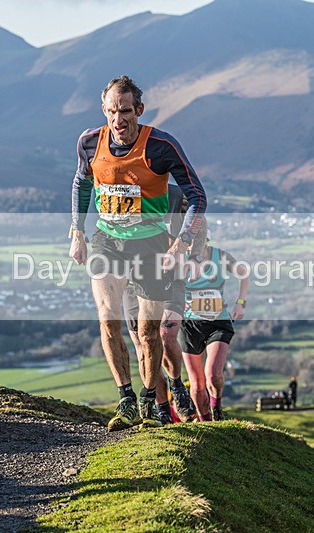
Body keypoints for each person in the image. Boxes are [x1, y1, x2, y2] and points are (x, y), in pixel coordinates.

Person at [69, 75, 206, 431]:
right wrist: (77, 232)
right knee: (107, 318)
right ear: (104, 111)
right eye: (112, 111)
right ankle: (126, 399)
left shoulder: (161, 146)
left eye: (126, 111)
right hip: (107, 240)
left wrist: (183, 241)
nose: (119, 120)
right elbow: (82, 183)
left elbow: (198, 196)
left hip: (150, 246)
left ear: (139, 110)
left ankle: (150, 399)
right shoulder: (88, 142)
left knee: (149, 334)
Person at [122, 184, 197, 425]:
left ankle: (176, 383)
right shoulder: (118, 192)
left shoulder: (174, 194)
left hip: (169, 275)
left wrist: (192, 254)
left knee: (164, 335)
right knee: (143, 346)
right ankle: (159, 405)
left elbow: (197, 223)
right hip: (132, 279)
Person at [179, 224, 250, 422]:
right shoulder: (182, 259)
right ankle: (205, 422)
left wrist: (240, 304)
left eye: (198, 241)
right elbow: (167, 283)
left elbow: (243, 274)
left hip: (218, 321)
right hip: (190, 325)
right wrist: (176, 304)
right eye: (190, 242)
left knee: (212, 374)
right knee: (197, 383)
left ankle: (216, 407)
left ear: (206, 240)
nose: (194, 245)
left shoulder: (220, 256)